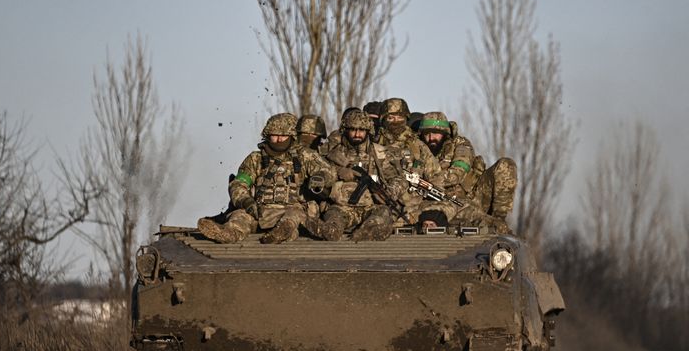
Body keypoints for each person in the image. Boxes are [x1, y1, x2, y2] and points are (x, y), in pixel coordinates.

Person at [197, 113, 335, 244]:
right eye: (274, 135)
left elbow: (327, 171)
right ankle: (227, 234)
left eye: (283, 136)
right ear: (267, 135)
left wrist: (320, 177)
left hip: (293, 209)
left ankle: (281, 234)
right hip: (260, 210)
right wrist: (246, 202)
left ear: (292, 136)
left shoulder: (304, 156)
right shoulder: (255, 159)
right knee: (239, 217)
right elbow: (239, 183)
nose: (279, 140)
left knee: (293, 218)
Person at [307, 109, 406, 242]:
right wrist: (338, 173)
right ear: (345, 130)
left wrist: (389, 192)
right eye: (353, 129)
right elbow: (322, 175)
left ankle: (365, 233)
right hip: (341, 207)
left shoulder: (380, 154)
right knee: (331, 227)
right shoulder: (333, 153)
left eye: (361, 130)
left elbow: (399, 179)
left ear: (368, 131)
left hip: (372, 207)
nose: (357, 134)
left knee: (379, 221)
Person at [417, 112, 517, 232]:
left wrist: (430, 181)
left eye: (436, 133)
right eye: (427, 134)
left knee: (506, 165)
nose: (431, 138)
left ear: (445, 133)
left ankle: (497, 221)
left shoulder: (461, 144)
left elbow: (457, 173)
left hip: (473, 197)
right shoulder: (418, 150)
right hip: (437, 203)